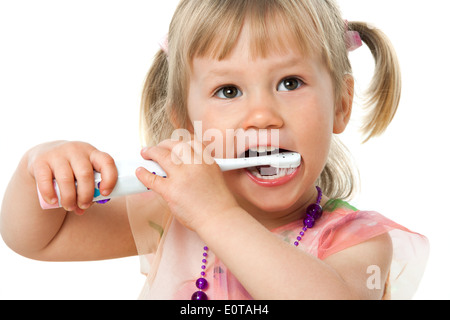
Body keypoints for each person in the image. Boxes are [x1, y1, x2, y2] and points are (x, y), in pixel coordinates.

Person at [0, 0, 428, 300]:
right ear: (186, 123)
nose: (262, 115)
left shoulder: (357, 243)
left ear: (341, 104)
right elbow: (37, 240)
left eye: (290, 83)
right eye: (228, 90)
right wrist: (38, 163)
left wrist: (216, 215)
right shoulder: (167, 215)